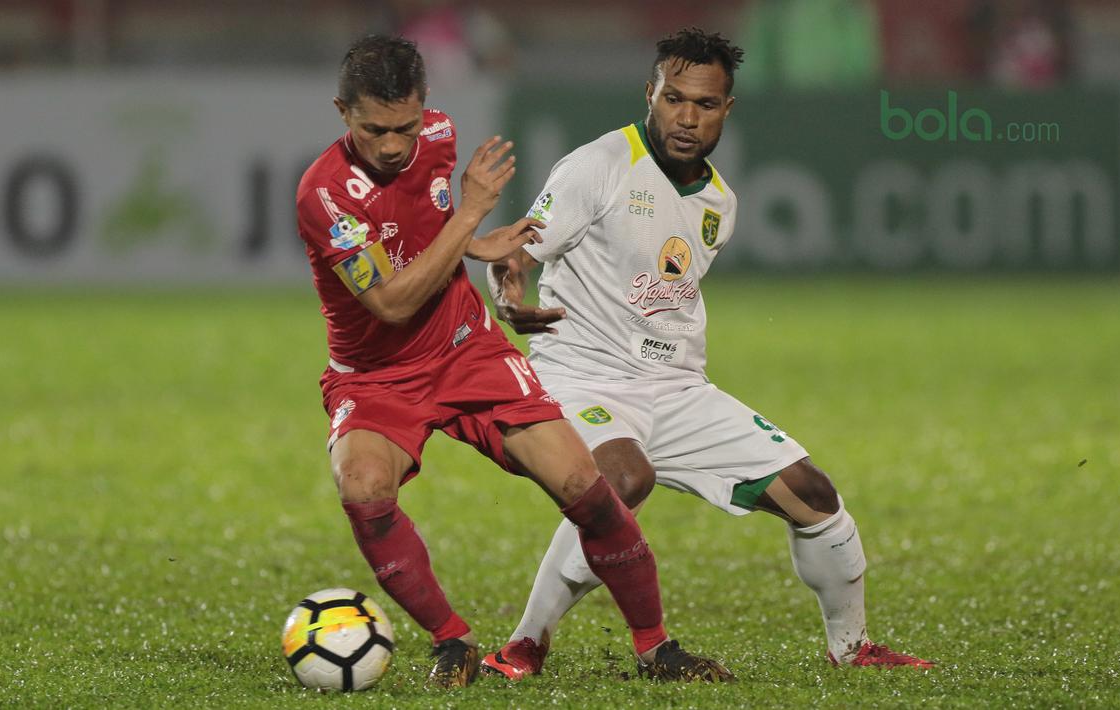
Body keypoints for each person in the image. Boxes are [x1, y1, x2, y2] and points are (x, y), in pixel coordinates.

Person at [482, 28, 934, 679]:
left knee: (813, 496)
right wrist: (509, 291)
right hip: (583, 379)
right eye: (673, 99)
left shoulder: (718, 200)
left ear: (727, 109)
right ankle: (525, 644)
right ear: (650, 93)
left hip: (676, 388)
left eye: (704, 104)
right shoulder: (599, 164)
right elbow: (520, 246)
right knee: (620, 484)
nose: (685, 117)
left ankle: (852, 647)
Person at [294, 34, 731, 689]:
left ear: (425, 108)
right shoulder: (324, 194)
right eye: (373, 129)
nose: (392, 145)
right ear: (340, 112)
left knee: (585, 487)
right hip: (376, 375)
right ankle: (452, 643)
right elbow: (388, 301)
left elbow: (419, 230)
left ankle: (655, 647)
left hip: (466, 350)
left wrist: (473, 242)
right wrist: (472, 210)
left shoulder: (439, 137)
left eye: (404, 126)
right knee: (361, 485)